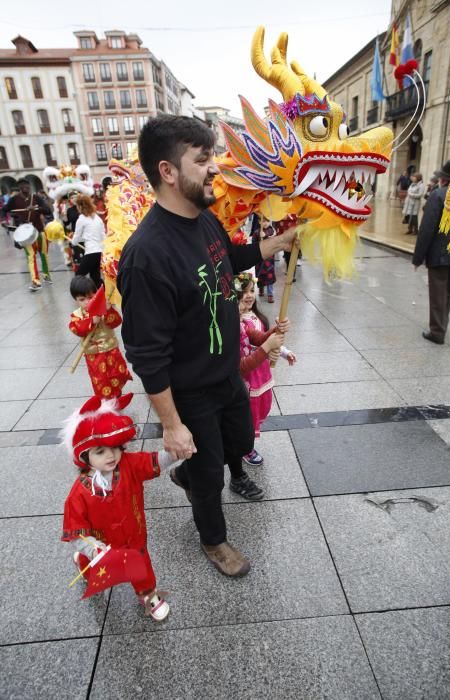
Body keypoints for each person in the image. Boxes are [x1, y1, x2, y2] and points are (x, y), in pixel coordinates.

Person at [117, 115, 297, 578]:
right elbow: (145, 352)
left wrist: (280, 241)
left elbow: (231, 259)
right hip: (189, 390)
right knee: (212, 476)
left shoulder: (204, 220)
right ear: (168, 171)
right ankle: (214, 540)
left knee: (239, 442)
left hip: (227, 374)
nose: (214, 168)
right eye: (202, 160)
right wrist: (172, 425)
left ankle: (190, 474)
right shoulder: (148, 255)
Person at [61, 393, 176, 622]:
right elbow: (77, 531)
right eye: (100, 451)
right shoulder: (79, 494)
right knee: (96, 564)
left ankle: (148, 594)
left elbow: (152, 461)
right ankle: (84, 562)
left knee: (140, 563)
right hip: (102, 543)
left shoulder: (129, 465)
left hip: (134, 536)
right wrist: (92, 548)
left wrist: (174, 453)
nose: (111, 456)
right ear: (84, 456)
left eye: (115, 448)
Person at [233, 271, 296, 469]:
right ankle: (244, 447)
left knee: (258, 409)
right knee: (247, 417)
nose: (249, 296)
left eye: (252, 290)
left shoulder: (246, 319)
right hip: (246, 379)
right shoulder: (231, 324)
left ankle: (244, 443)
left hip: (260, 374)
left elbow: (257, 337)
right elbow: (242, 365)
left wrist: (276, 330)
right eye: (243, 293)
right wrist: (268, 346)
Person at [412, 159, 450, 344]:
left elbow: (427, 229)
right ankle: (442, 324)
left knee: (438, 292)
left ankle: (437, 332)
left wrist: (418, 258)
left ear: (444, 179)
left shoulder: (438, 196)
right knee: (449, 291)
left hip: (439, 253)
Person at [69, 276, 132, 398]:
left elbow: (116, 322)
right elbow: (77, 329)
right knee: (100, 379)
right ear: (75, 300)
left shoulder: (103, 308)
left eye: (91, 297)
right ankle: (105, 401)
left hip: (111, 349)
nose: (87, 302)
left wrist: (108, 310)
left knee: (117, 373)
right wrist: (91, 321)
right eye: (82, 299)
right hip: (94, 355)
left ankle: (117, 395)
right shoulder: (77, 315)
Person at [2, 178, 52, 291]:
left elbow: (48, 210)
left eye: (27, 185)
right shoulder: (14, 200)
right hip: (25, 233)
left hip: (40, 231)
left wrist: (36, 208)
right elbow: (3, 210)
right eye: (23, 185)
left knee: (44, 254)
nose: (26, 187)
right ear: (19, 188)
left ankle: (46, 274)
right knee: (31, 256)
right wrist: (3, 221)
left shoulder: (36, 198)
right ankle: (35, 281)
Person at [72, 194, 105, 288]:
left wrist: (73, 242)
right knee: (95, 277)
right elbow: (102, 235)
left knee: (78, 276)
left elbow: (76, 238)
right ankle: (100, 297)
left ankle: (82, 295)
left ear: (80, 206)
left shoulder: (81, 219)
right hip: (100, 251)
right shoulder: (97, 218)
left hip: (91, 251)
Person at [251, 215, 276, 302]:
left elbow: (271, 234)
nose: (265, 223)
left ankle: (270, 294)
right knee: (259, 274)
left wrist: (265, 234)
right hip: (259, 257)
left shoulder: (271, 230)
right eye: (263, 221)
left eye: (267, 221)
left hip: (269, 257)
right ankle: (261, 288)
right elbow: (253, 242)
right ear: (259, 222)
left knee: (269, 275)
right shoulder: (256, 232)